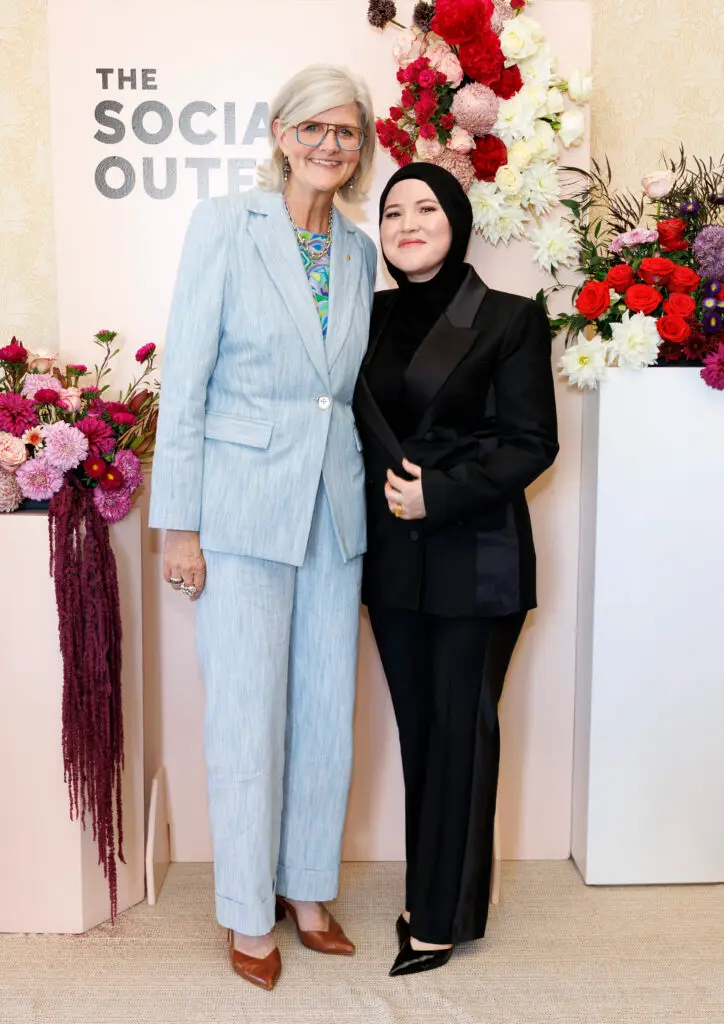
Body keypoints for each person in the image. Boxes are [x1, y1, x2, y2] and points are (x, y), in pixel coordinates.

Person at [149, 64, 377, 991]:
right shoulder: (224, 224)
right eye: (312, 127)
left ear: (361, 147)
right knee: (245, 715)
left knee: (325, 713)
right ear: (281, 135)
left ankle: (307, 888)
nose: (329, 144)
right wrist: (179, 525)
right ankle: (247, 908)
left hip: (334, 505)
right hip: (240, 507)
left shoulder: (360, 250)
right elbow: (186, 379)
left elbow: (344, 389)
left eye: (346, 131)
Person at [354, 163, 559, 977]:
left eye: (426, 208)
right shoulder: (364, 317)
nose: (407, 223)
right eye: (392, 212)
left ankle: (440, 918)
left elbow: (532, 441)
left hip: (476, 556)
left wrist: (437, 494)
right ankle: (431, 890)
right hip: (391, 560)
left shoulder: (509, 317)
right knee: (420, 733)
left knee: (460, 734)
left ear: (457, 221)